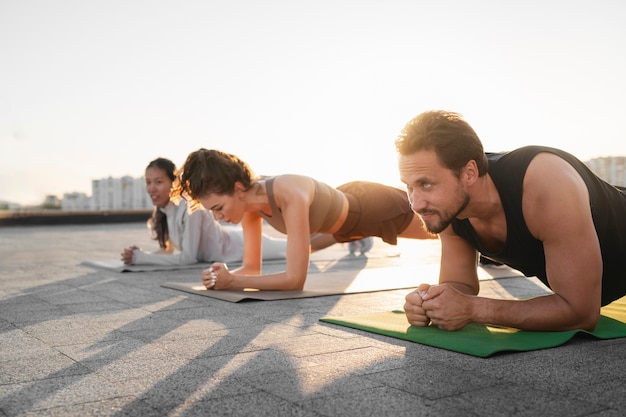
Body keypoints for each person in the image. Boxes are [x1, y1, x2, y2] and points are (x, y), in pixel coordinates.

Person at [397, 110, 626, 332]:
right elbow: (459, 285)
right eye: (409, 186)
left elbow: (582, 313)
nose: (415, 204)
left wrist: (475, 309)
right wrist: (430, 302)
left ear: (468, 173)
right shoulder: (448, 206)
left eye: (426, 184)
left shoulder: (545, 182)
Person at [173, 148, 436, 291]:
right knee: (311, 245)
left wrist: (235, 282)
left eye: (218, 208)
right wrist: (223, 276)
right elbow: (252, 268)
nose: (218, 217)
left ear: (239, 188)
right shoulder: (249, 207)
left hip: (373, 208)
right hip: (341, 223)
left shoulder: (287, 192)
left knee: (444, 229)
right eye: (213, 212)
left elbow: (294, 280)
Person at [120, 158, 288, 266]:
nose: (151, 188)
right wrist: (140, 254)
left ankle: (314, 226)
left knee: (300, 246)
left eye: (158, 182)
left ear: (174, 184)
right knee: (304, 243)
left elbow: (187, 258)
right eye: (148, 182)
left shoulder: (191, 208)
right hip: (233, 240)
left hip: (239, 245)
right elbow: (168, 251)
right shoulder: (165, 213)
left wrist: (141, 259)